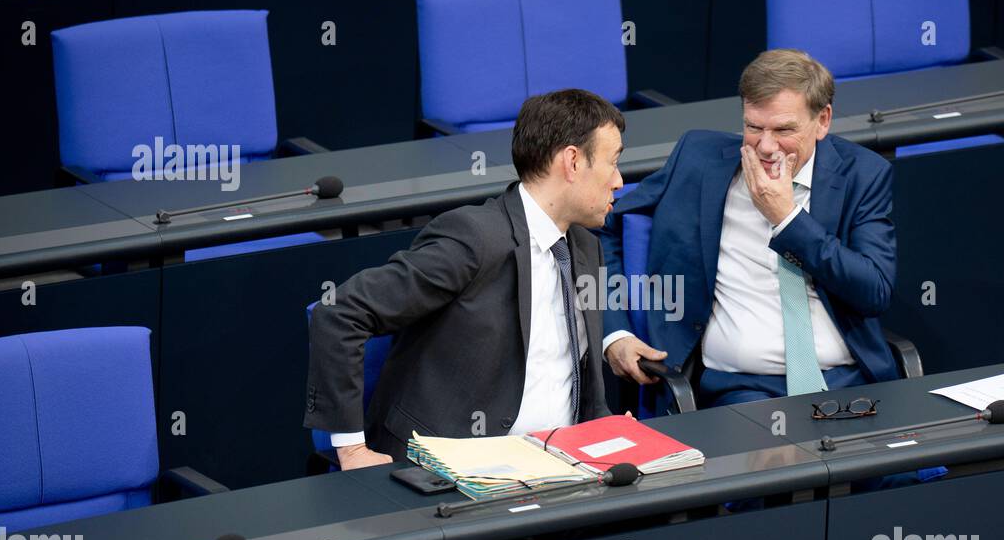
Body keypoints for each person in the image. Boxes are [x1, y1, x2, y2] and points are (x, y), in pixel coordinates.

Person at [305, 88, 624, 470]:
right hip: (456, 473)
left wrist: (604, 431)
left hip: (561, 465)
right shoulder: (473, 238)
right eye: (612, 163)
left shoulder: (586, 247)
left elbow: (578, 377)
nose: (619, 181)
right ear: (571, 162)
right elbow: (339, 312)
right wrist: (352, 450)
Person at [600, 49, 898, 407]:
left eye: (784, 129)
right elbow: (601, 226)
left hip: (849, 383)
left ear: (822, 121)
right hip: (741, 389)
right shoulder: (699, 159)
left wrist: (787, 219)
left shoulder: (861, 174)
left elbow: (873, 291)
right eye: (754, 127)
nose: (766, 147)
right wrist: (615, 331)